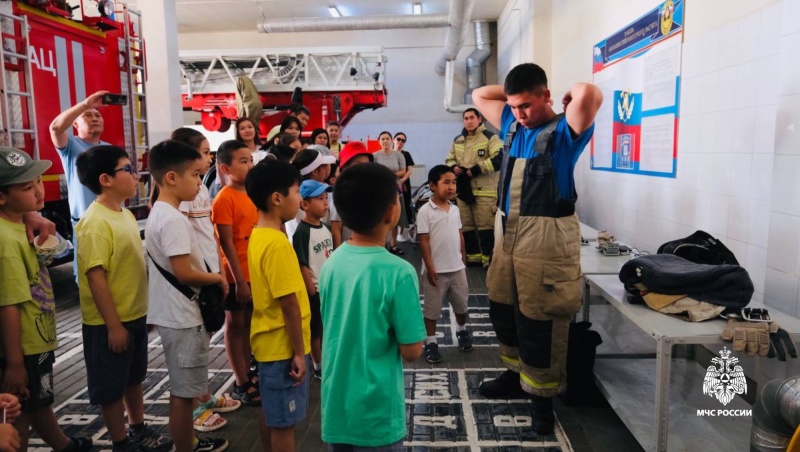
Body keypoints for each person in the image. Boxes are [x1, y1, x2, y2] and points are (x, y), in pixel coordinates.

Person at [471, 63, 603, 434]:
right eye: (512, 106)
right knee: (505, 308)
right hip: (507, 234)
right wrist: (514, 94)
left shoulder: (565, 131)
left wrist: (570, 90)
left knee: (541, 319)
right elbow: (479, 95)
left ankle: (542, 400)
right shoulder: (512, 125)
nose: (518, 114)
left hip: (546, 237)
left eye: (526, 105)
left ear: (546, 95)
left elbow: (590, 95)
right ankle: (514, 376)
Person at [319, 163, 426, 450]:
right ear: (392, 211)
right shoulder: (399, 272)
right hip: (376, 413)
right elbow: (412, 350)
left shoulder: (333, 261)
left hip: (336, 406)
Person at [74, 145, 172, 452]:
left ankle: (138, 428)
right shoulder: (94, 223)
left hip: (134, 314)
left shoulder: (125, 214)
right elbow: (96, 277)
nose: (135, 175)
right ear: (105, 179)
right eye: (127, 169)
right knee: (111, 388)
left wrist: (147, 309)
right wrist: (114, 326)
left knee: (134, 377)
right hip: (107, 323)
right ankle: (120, 442)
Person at [0, 147, 92, 452]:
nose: (39, 190)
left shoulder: (17, 225)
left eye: (38, 181)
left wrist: (29, 212)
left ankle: (62, 445)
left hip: (35, 340)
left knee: (38, 400)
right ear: (2, 197)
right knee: (18, 415)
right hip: (24, 347)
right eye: (27, 187)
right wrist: (14, 363)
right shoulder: (6, 241)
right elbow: (9, 304)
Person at [145, 141, 229, 452]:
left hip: (175, 313)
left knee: (181, 391)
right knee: (182, 394)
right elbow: (184, 272)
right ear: (171, 177)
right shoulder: (173, 219)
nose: (199, 182)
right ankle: (186, 447)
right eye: (195, 175)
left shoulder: (162, 212)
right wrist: (217, 278)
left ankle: (187, 443)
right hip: (182, 316)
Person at [169, 129, 240, 432]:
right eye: (203, 151)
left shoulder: (200, 189)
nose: (209, 157)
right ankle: (197, 407)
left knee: (204, 342)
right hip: (193, 282)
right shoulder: (179, 196)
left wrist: (221, 272)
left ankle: (205, 396)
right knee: (191, 349)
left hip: (210, 276)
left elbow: (209, 234)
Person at [244, 159, 310, 452]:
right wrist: (298, 351)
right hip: (283, 348)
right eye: (297, 192)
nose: (300, 199)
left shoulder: (259, 234)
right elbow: (289, 304)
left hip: (268, 343)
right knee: (284, 425)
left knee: (272, 414)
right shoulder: (278, 244)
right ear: (277, 198)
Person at [210, 140, 260, 407]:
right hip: (236, 275)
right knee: (235, 326)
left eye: (251, 160)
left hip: (255, 273)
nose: (250, 165)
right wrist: (239, 281)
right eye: (243, 161)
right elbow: (227, 243)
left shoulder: (252, 193)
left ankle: (250, 372)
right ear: (226, 168)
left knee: (250, 325)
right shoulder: (224, 198)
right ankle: (240, 381)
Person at [49, 91, 113, 271]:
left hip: (112, 220)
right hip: (86, 223)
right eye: (88, 115)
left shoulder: (109, 149)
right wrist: (85, 104)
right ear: (75, 124)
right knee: (90, 276)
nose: (94, 118)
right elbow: (55, 128)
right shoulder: (70, 146)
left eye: (98, 115)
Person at [417, 165, 472, 364]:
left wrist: (463, 260)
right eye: (446, 182)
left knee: (461, 305)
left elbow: (459, 235)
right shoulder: (425, 211)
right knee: (432, 310)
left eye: (453, 182)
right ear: (432, 186)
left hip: (456, 268)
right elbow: (423, 241)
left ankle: (462, 330)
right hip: (436, 271)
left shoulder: (455, 209)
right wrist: (430, 268)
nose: (451, 187)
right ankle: (431, 342)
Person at [445, 108, 503, 268]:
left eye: (472, 117)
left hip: (485, 192)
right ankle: (473, 258)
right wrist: (454, 166)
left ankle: (489, 261)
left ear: (480, 119)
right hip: (463, 192)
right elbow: (449, 158)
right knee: (467, 227)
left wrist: (477, 168)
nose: (468, 121)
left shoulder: (491, 138)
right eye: (465, 118)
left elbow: (500, 158)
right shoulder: (458, 140)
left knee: (486, 228)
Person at [292, 180, 333, 380]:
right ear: (305, 205)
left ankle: (326, 360)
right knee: (315, 330)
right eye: (320, 199)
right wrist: (311, 290)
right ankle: (318, 366)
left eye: (326, 198)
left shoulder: (326, 228)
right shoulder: (302, 232)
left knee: (327, 327)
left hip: (328, 288)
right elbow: (302, 263)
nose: (326, 203)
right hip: (315, 289)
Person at [328, 141, 373, 248]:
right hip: (348, 254)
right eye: (358, 164)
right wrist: (338, 255)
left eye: (367, 164)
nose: (364, 168)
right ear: (345, 167)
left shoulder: (371, 191)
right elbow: (336, 229)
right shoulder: (341, 196)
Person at [372, 131, 407, 255]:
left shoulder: (398, 155)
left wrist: (389, 175)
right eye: (383, 139)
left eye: (387, 138)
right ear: (379, 141)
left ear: (391, 140)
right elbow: (373, 172)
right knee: (382, 216)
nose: (385, 141)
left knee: (395, 217)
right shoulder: (374, 156)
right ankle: (382, 243)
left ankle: (393, 244)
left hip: (395, 189)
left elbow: (403, 171)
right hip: (380, 190)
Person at [394, 132, 415, 242]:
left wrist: (402, 180)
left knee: (404, 207)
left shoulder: (406, 154)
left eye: (403, 140)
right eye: (398, 139)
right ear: (394, 140)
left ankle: (400, 233)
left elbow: (409, 170)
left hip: (403, 185)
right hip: (391, 184)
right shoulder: (389, 154)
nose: (400, 142)